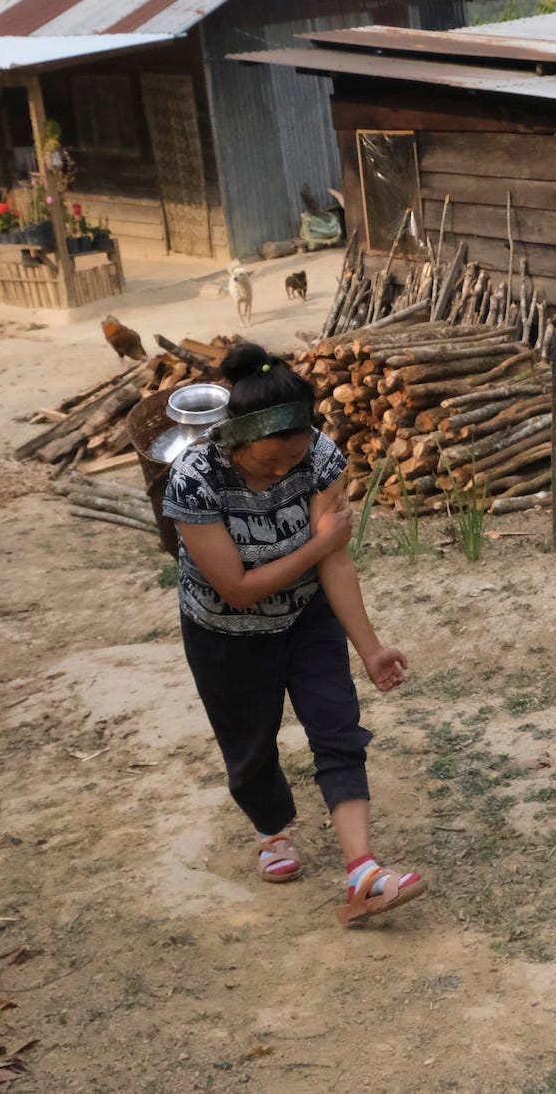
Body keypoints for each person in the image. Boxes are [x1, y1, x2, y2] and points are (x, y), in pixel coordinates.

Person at [162, 342, 427, 925]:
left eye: (293, 457)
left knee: (337, 727)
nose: (284, 470)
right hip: (224, 630)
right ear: (236, 440)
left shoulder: (321, 456)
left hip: (307, 616)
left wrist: (371, 649)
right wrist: (319, 543)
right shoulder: (193, 479)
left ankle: (362, 870)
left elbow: (335, 564)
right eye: (268, 463)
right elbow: (237, 587)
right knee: (249, 744)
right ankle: (271, 829)